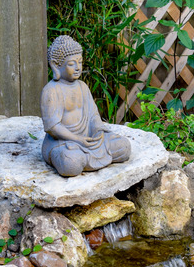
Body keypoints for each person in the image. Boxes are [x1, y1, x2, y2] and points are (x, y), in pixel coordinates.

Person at [40, 35, 131, 177]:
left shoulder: (82, 87)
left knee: (124, 147)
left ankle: (87, 158)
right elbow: (52, 127)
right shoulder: (51, 90)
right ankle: (80, 160)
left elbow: (93, 116)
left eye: (80, 62)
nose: (78, 68)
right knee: (71, 163)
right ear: (56, 65)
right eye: (71, 64)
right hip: (63, 143)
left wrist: (97, 132)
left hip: (88, 139)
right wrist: (77, 139)